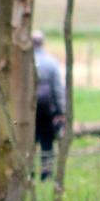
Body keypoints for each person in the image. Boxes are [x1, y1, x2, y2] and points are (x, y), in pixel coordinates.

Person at [33, 31, 66, 181]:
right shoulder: (51, 62)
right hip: (47, 110)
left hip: (27, 110)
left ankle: (29, 172)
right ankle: (46, 174)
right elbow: (58, 89)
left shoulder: (22, 62)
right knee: (47, 143)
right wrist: (61, 111)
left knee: (28, 143)